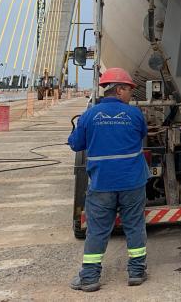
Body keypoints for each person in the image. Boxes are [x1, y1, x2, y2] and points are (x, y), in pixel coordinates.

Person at [68, 68, 149, 292]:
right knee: (135, 226)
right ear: (119, 89)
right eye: (129, 90)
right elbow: (142, 135)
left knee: (97, 231)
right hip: (132, 182)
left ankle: (89, 278)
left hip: (102, 183)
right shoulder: (134, 114)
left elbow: (76, 144)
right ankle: (136, 272)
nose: (131, 94)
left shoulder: (89, 115)